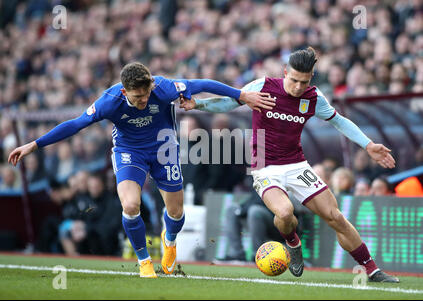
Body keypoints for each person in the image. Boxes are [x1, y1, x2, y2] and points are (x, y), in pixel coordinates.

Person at [8, 62, 275, 278]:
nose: (145, 99)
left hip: (164, 150)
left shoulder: (164, 87)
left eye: (147, 93)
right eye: (138, 96)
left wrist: (242, 95)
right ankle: (144, 261)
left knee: (176, 212)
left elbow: (203, 84)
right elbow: (76, 124)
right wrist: (35, 144)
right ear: (124, 92)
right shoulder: (109, 101)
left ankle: (169, 241)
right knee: (131, 205)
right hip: (129, 153)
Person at [180, 47, 399, 283]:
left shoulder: (313, 98)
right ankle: (293, 243)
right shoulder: (263, 86)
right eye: (293, 80)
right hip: (264, 167)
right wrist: (199, 105)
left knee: (335, 216)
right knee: (284, 212)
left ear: (311, 78)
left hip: (297, 165)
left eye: (303, 82)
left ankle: (372, 269)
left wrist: (367, 145)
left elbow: (340, 122)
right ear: (285, 72)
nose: (297, 87)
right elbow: (229, 103)